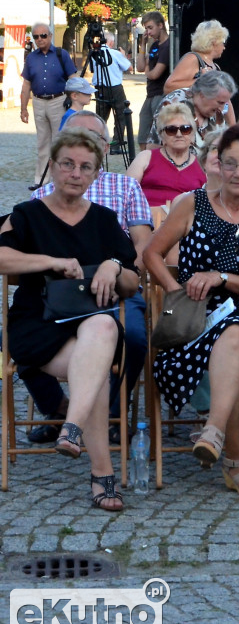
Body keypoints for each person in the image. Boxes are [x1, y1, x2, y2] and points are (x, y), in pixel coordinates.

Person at [0, 129, 141, 510]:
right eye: (67, 164)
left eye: (85, 167)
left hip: (91, 328)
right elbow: (2, 259)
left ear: (97, 174)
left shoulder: (104, 220)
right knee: (95, 364)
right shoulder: (27, 214)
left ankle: (72, 428)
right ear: (53, 167)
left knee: (104, 326)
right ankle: (101, 473)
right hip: (38, 326)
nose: (75, 173)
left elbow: (132, 279)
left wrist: (113, 266)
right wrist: (50, 262)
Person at [144, 123, 239, 498]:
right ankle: (234, 456)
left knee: (238, 331)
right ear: (217, 164)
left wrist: (220, 276)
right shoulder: (192, 203)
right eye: (231, 163)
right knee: (235, 337)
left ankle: (215, 431)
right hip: (190, 323)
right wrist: (176, 290)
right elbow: (151, 255)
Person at [22, 112, 153, 447]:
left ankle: (110, 416)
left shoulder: (126, 186)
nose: (76, 165)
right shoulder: (42, 196)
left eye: (89, 139)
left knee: (135, 337)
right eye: (72, 139)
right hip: (60, 292)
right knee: (20, 333)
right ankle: (60, 411)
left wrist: (119, 269)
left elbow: (141, 246)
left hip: (116, 288)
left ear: (104, 148)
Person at [20, 22, 78, 185]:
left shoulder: (61, 54)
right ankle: (42, 180)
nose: (40, 39)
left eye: (43, 35)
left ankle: (61, 179)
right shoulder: (31, 58)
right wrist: (23, 108)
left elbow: (73, 78)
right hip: (38, 102)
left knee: (60, 141)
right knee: (42, 142)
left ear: (50, 36)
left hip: (58, 101)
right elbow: (26, 84)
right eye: (36, 36)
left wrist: (74, 100)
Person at [127, 103, 207, 209]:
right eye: (171, 130)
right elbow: (126, 193)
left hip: (185, 222)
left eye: (185, 129)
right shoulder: (145, 157)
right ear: (161, 135)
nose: (179, 134)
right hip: (145, 219)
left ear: (192, 135)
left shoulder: (203, 165)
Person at [152, 70, 237, 149]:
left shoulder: (214, 112)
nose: (222, 109)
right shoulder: (175, 103)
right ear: (202, 95)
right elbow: (154, 147)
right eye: (220, 102)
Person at [163, 19, 230, 96]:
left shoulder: (216, 66)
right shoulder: (192, 58)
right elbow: (168, 87)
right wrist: (200, 82)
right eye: (223, 42)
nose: (224, 47)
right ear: (214, 41)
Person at [138, 12, 171, 151]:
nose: (148, 32)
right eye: (146, 28)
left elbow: (155, 74)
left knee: (157, 135)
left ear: (161, 25)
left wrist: (147, 69)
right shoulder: (155, 45)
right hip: (150, 94)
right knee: (142, 136)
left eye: (150, 28)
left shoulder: (168, 45)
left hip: (160, 93)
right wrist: (143, 46)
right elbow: (140, 67)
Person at [90, 35, 132, 143]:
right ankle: (117, 142)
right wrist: (123, 56)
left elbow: (91, 69)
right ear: (111, 43)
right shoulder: (115, 53)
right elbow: (129, 68)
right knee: (120, 115)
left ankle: (97, 141)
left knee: (100, 116)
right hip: (115, 87)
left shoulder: (94, 54)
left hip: (99, 88)